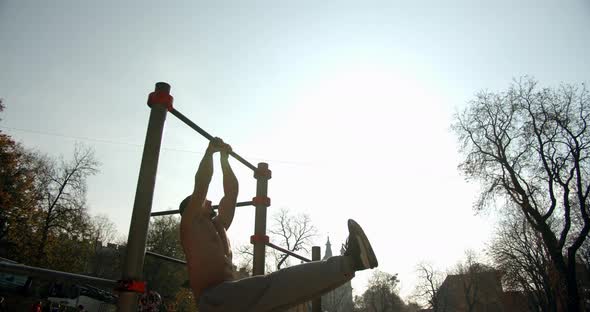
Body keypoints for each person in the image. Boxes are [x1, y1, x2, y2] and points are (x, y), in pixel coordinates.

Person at [180, 138, 378, 312]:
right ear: (193, 205)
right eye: (205, 200)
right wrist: (209, 153)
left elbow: (231, 192)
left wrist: (224, 159)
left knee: (289, 293)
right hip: (216, 300)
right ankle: (351, 261)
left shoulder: (219, 225)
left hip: (231, 299)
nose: (209, 201)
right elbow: (201, 184)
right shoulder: (190, 225)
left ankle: (352, 263)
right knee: (275, 284)